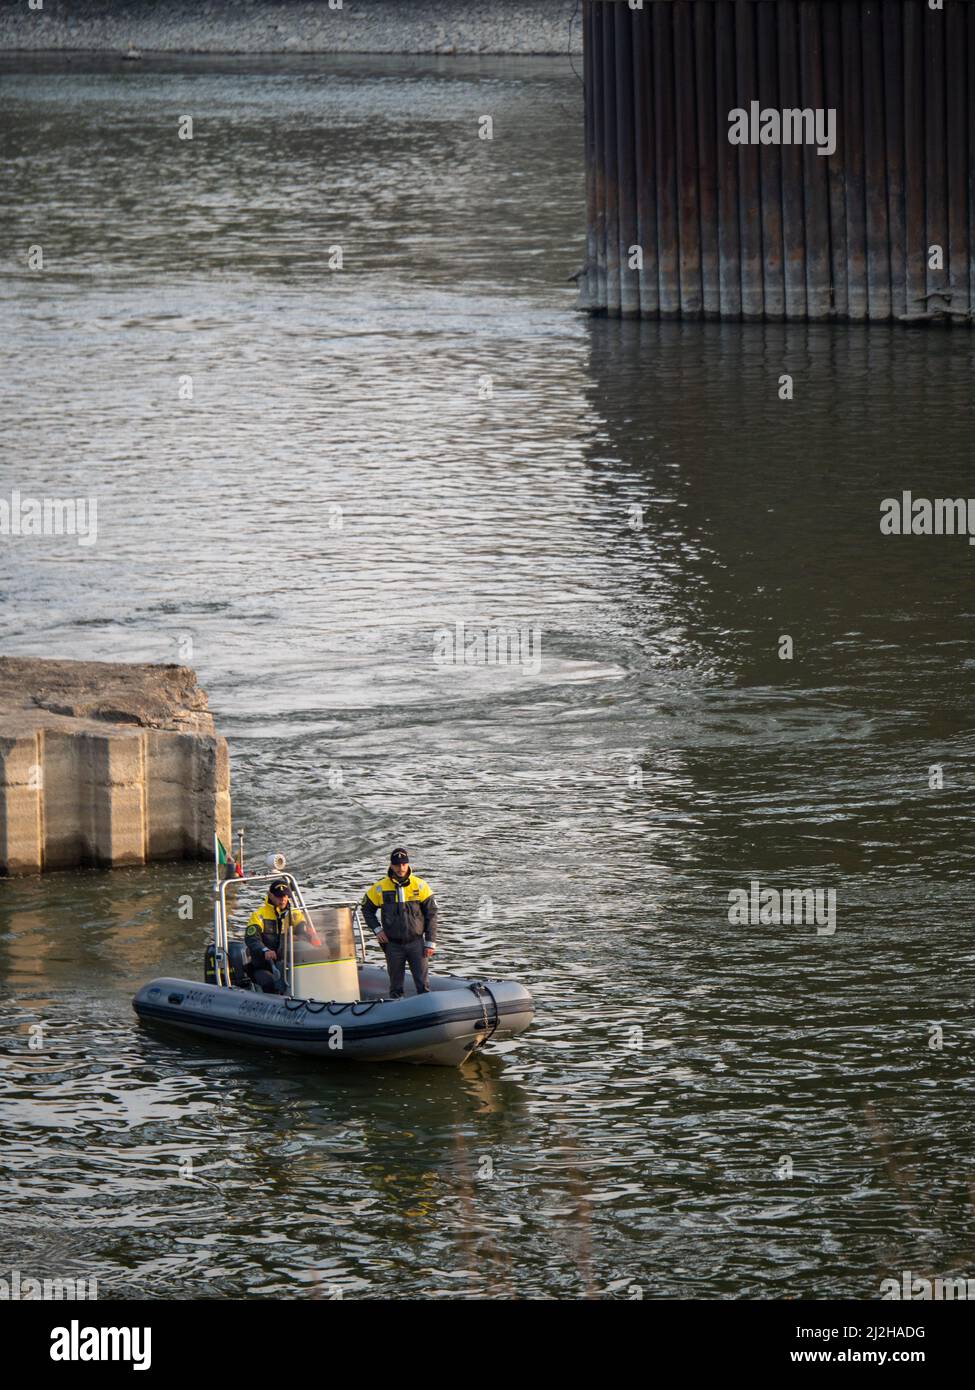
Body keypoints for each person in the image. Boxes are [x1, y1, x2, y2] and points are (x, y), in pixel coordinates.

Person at [361, 849, 439, 998]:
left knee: (423, 985)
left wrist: (430, 941)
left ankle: (425, 1013)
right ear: (391, 865)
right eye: (397, 864)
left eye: (403, 864)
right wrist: (377, 930)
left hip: (416, 943)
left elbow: (432, 914)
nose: (400, 868)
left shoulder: (420, 886)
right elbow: (366, 909)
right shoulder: (379, 888)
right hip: (393, 944)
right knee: (396, 987)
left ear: (408, 864)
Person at [245, 878, 320, 995]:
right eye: (279, 896)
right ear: (270, 895)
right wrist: (265, 950)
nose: (283, 899)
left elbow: (303, 929)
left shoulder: (294, 914)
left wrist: (312, 937)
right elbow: (252, 938)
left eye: (285, 896)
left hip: (287, 963)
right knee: (270, 982)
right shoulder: (259, 915)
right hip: (264, 966)